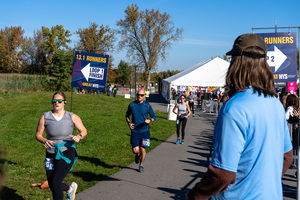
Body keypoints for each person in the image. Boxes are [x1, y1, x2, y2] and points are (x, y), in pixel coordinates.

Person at [187, 33, 293, 200]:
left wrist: (195, 195)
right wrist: (265, 185)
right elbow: (287, 156)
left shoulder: (234, 108)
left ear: (236, 63)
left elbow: (223, 174)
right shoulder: (276, 105)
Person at [35, 91, 87, 200]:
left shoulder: (71, 116)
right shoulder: (45, 116)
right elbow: (38, 134)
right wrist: (44, 140)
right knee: (51, 183)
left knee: (55, 182)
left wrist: (79, 136)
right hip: (50, 153)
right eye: (54, 101)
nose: (56, 103)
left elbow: (84, 130)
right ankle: (70, 189)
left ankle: (69, 190)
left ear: (64, 102)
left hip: (66, 152)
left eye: (59, 101)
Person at [125, 89, 157, 173]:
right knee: (135, 150)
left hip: (145, 131)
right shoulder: (132, 105)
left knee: (143, 149)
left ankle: (141, 165)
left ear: (144, 96)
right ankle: (137, 155)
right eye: (138, 95)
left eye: (142, 95)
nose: (139, 96)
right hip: (135, 131)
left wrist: (150, 120)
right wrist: (129, 123)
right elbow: (127, 115)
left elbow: (154, 117)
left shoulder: (147, 105)